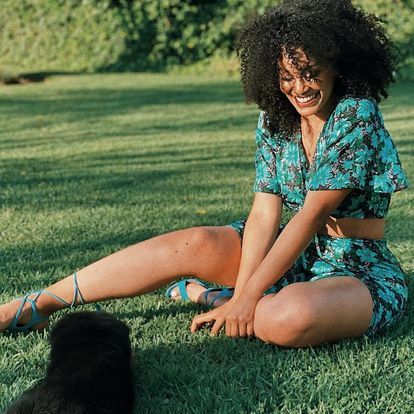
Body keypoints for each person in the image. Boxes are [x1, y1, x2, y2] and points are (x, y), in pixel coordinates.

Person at [0, 0, 409, 347]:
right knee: (193, 242)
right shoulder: (276, 118)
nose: (298, 87)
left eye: (310, 72)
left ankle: (217, 300)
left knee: (288, 317)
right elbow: (265, 214)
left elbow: (312, 215)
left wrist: (247, 297)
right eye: (286, 76)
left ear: (338, 65)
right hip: (289, 252)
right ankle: (39, 303)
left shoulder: (355, 113)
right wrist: (249, 291)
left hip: (356, 267)